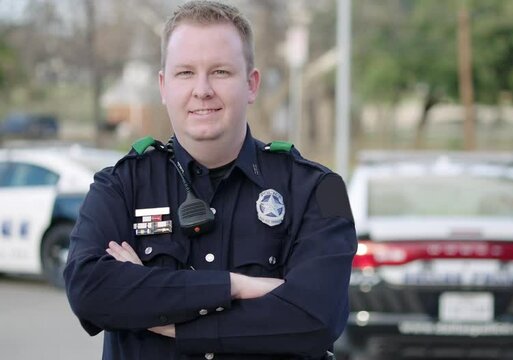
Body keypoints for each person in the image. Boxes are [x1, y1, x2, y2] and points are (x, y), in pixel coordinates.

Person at [63, 1, 357, 359]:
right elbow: (88, 291)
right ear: (163, 86)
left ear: (251, 85)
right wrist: (235, 286)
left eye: (220, 72)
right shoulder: (118, 185)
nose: (202, 90)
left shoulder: (324, 189)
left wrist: (161, 318)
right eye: (185, 73)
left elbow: (318, 318)